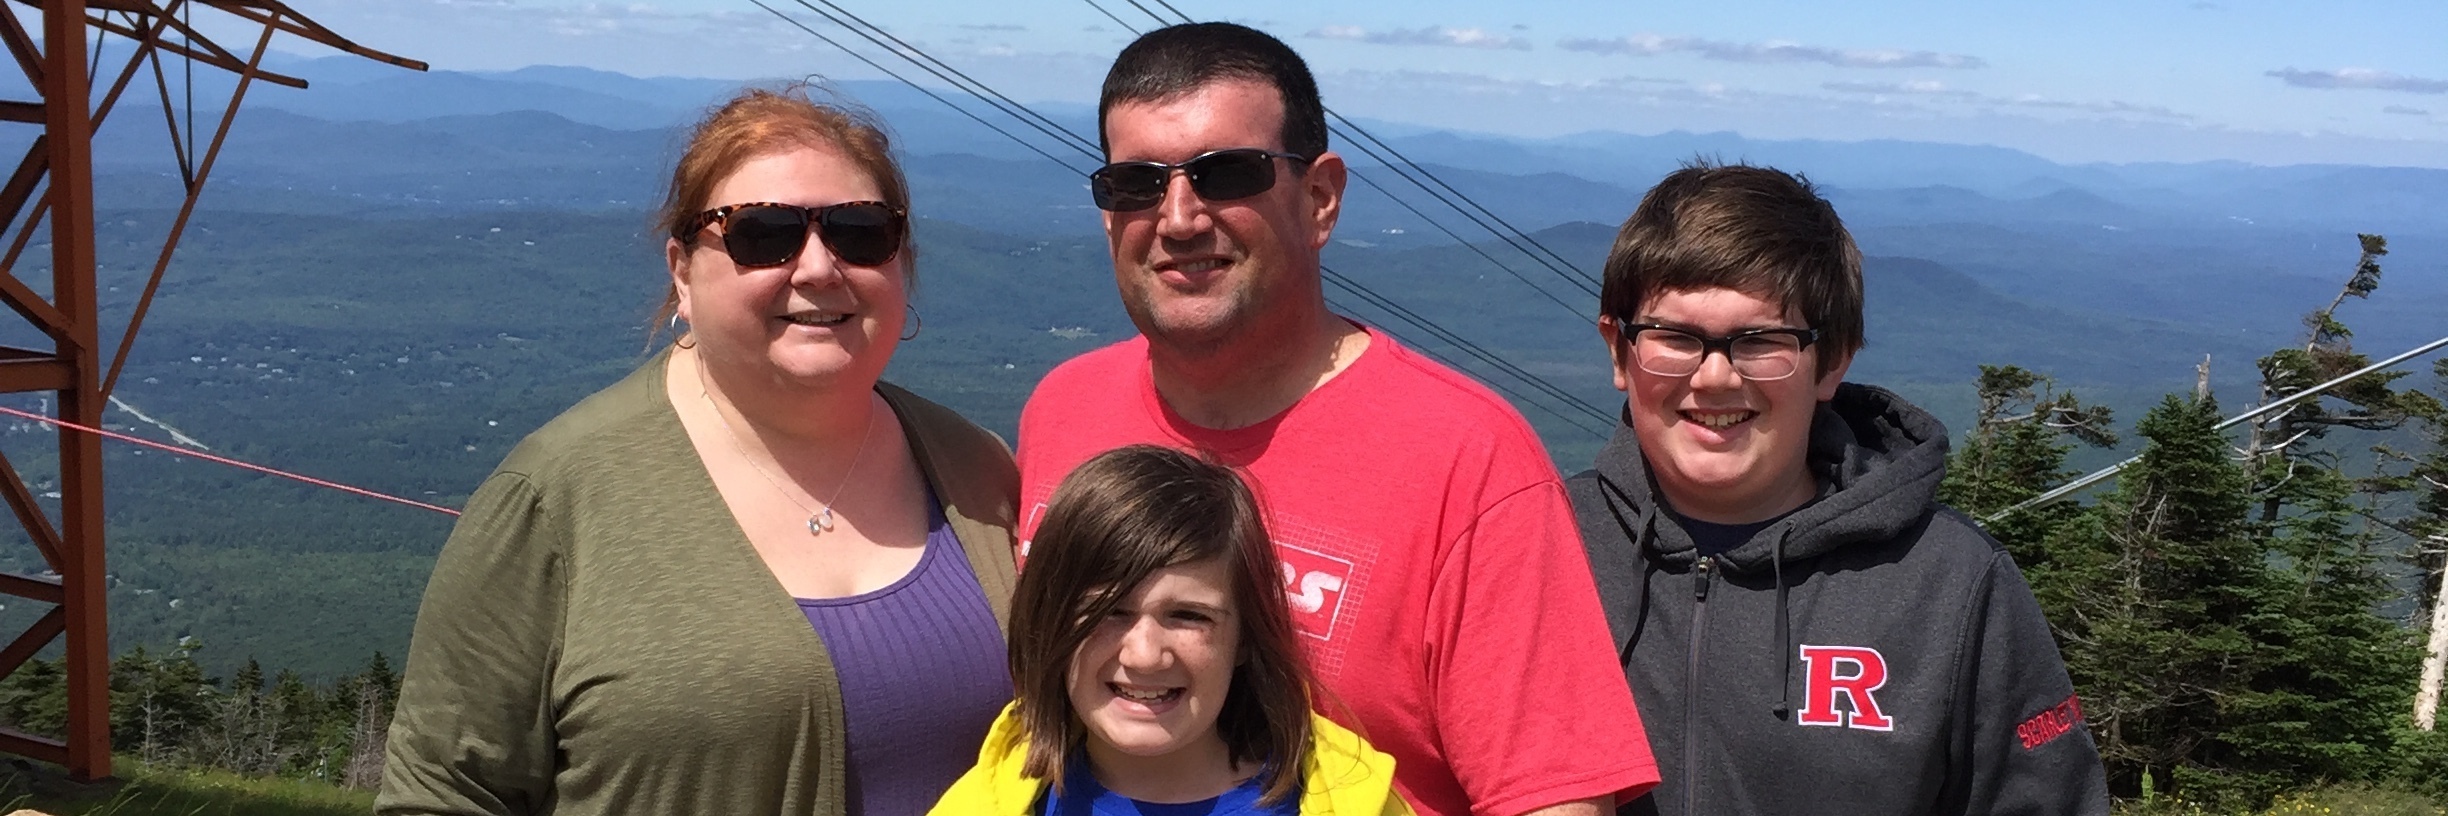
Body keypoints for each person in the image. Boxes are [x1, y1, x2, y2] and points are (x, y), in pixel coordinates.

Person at [1015, 22, 1657, 816]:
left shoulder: (1466, 456)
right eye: (1137, 183)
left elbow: (1553, 799)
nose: (1178, 217)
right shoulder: (1063, 409)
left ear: (1320, 198)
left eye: (1226, 174)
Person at [376, 85, 1021, 816]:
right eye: (763, 234)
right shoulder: (555, 497)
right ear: (681, 270)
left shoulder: (978, 471)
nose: (817, 267)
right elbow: (443, 793)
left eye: (860, 232)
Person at [1565, 162, 2111, 816]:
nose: (1713, 378)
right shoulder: (1533, 547)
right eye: (1675, 339)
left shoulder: (1949, 583)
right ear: (1619, 352)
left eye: (1761, 341)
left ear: (1833, 361)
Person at [931, 445, 1412, 816]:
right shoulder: (992, 800)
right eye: (1106, 612)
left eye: (1188, 616)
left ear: (1245, 637)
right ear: (1048, 621)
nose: (1144, 655)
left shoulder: (1352, 797)